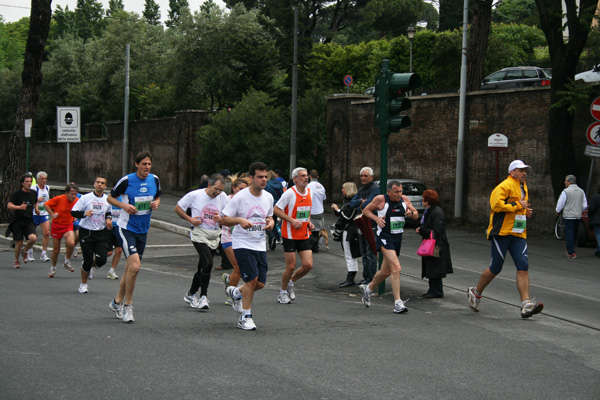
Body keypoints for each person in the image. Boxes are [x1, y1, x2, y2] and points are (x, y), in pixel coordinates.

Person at [467, 160, 544, 318]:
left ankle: (526, 304)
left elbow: (520, 206)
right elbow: (496, 205)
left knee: (523, 265)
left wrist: (525, 212)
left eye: (525, 170)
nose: (524, 173)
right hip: (502, 232)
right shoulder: (504, 186)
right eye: (521, 170)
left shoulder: (524, 187)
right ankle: (476, 292)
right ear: (512, 172)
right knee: (496, 267)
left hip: (518, 233)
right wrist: (517, 205)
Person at [107, 151, 161, 323]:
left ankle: (116, 302)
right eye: (144, 164)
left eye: (149, 164)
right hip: (126, 228)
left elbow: (158, 196)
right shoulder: (127, 180)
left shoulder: (155, 179)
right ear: (136, 164)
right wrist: (124, 205)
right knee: (135, 267)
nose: (147, 167)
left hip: (143, 230)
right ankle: (128, 306)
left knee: (131, 268)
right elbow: (110, 198)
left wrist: (156, 203)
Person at [222, 162, 274, 331]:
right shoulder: (241, 197)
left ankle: (235, 293)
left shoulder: (268, 197)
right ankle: (246, 316)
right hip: (242, 243)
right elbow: (224, 218)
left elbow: (270, 216)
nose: (264, 180)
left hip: (260, 244)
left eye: (266, 177)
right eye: (260, 177)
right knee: (251, 279)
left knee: (260, 283)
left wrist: (271, 222)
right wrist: (239, 220)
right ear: (251, 178)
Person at [359, 180, 419, 313]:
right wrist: (376, 219)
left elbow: (416, 215)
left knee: (385, 272)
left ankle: (367, 289)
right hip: (385, 238)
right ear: (389, 191)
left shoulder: (404, 200)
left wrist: (411, 214)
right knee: (396, 268)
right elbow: (366, 210)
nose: (399, 194)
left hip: (397, 239)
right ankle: (398, 303)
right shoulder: (381, 200)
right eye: (396, 192)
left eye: (401, 191)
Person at [175, 174, 228, 310]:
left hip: (214, 234)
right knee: (208, 262)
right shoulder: (195, 195)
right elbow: (178, 208)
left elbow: (227, 213)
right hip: (199, 233)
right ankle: (203, 296)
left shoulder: (223, 197)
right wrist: (190, 219)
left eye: (221, 190)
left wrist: (220, 217)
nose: (218, 192)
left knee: (202, 267)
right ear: (209, 185)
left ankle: (191, 294)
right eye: (216, 189)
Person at [273, 167, 314, 304]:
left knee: (308, 265)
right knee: (290, 266)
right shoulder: (289, 193)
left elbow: (305, 212)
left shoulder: (310, 192)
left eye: (307, 175)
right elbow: (276, 210)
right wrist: (291, 220)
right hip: (290, 234)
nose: (306, 178)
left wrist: (309, 222)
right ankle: (282, 292)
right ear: (295, 179)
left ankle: (291, 282)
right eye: (302, 176)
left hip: (304, 233)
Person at [71, 176, 112, 294]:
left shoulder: (107, 199)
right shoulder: (86, 198)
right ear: (94, 184)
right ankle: (83, 284)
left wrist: (108, 218)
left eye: (102, 183)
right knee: (87, 260)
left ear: (105, 186)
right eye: (98, 182)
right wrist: (85, 213)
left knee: (102, 260)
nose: (100, 184)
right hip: (86, 232)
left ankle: (90, 267)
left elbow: (108, 211)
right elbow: (73, 212)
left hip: (100, 232)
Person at [416, 190, 453, 298]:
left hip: (436, 245)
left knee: (435, 268)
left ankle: (436, 291)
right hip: (433, 244)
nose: (421, 201)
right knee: (432, 268)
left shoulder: (436, 212)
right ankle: (432, 289)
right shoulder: (431, 211)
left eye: (423, 199)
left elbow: (436, 231)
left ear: (427, 201)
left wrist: (422, 230)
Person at [220, 176, 249, 304]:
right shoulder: (226, 200)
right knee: (238, 267)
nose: (242, 192)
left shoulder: (247, 202)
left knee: (241, 268)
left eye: (245, 189)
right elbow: (220, 217)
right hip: (228, 237)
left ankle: (229, 280)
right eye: (240, 189)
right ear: (233, 189)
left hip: (242, 238)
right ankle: (230, 295)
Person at [349, 166, 380, 285]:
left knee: (370, 253)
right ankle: (366, 277)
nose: (363, 178)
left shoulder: (376, 189)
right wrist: (360, 202)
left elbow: (367, 204)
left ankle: (371, 279)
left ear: (371, 177)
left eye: (365, 176)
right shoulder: (362, 190)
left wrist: (362, 203)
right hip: (361, 224)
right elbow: (352, 204)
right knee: (364, 254)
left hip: (371, 225)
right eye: (361, 176)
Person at [44, 183, 79, 277]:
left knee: (71, 243)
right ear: (66, 193)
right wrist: (52, 214)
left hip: (68, 225)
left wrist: (75, 216)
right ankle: (53, 268)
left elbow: (79, 209)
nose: (73, 196)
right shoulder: (59, 199)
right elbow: (46, 204)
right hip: (57, 226)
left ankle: (67, 261)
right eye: (72, 194)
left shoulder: (77, 201)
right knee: (56, 250)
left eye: (75, 194)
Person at [331, 182, 361, 287]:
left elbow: (347, 217)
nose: (342, 190)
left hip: (350, 230)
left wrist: (337, 210)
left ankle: (350, 278)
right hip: (351, 230)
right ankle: (351, 277)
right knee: (351, 254)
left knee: (349, 254)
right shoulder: (350, 201)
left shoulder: (351, 202)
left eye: (343, 188)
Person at [7, 174, 39, 268]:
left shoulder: (33, 193)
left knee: (33, 238)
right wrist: (19, 207)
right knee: (19, 242)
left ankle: (24, 251)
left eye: (30, 181)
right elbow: (9, 205)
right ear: (22, 183)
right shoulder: (17, 193)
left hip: (29, 220)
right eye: (27, 182)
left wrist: (36, 209)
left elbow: (35, 201)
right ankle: (16, 261)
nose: (29, 183)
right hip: (18, 220)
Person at [555, 175, 587, 259]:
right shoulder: (581, 191)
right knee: (574, 233)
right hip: (577, 215)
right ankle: (571, 249)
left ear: (569, 182)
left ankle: (571, 252)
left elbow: (561, 203)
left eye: (566, 181)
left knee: (569, 233)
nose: (565, 182)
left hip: (569, 215)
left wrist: (558, 211)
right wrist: (580, 210)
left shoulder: (566, 191)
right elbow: (585, 205)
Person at [29, 171, 51, 262]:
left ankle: (44, 253)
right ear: (38, 180)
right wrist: (37, 199)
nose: (44, 180)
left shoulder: (47, 188)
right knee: (33, 235)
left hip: (44, 213)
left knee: (46, 232)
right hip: (34, 213)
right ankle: (30, 251)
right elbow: (29, 199)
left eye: (45, 179)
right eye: (42, 179)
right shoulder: (33, 188)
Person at [265, 170, 284, 250]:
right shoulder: (280, 184)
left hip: (269, 206)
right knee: (275, 222)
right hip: (277, 206)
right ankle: (276, 238)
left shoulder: (267, 185)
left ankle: (272, 237)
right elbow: (282, 196)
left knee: (267, 223)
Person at [307, 169, 326, 253]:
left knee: (310, 230)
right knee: (317, 230)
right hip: (320, 211)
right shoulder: (321, 186)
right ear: (317, 177)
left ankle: (311, 243)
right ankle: (316, 247)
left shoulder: (308, 186)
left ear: (310, 177)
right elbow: (324, 198)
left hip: (311, 211)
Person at [588, 185, 600, 258]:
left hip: (597, 218)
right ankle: (597, 250)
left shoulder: (596, 197)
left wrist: (590, 215)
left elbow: (591, 208)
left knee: (598, 234)